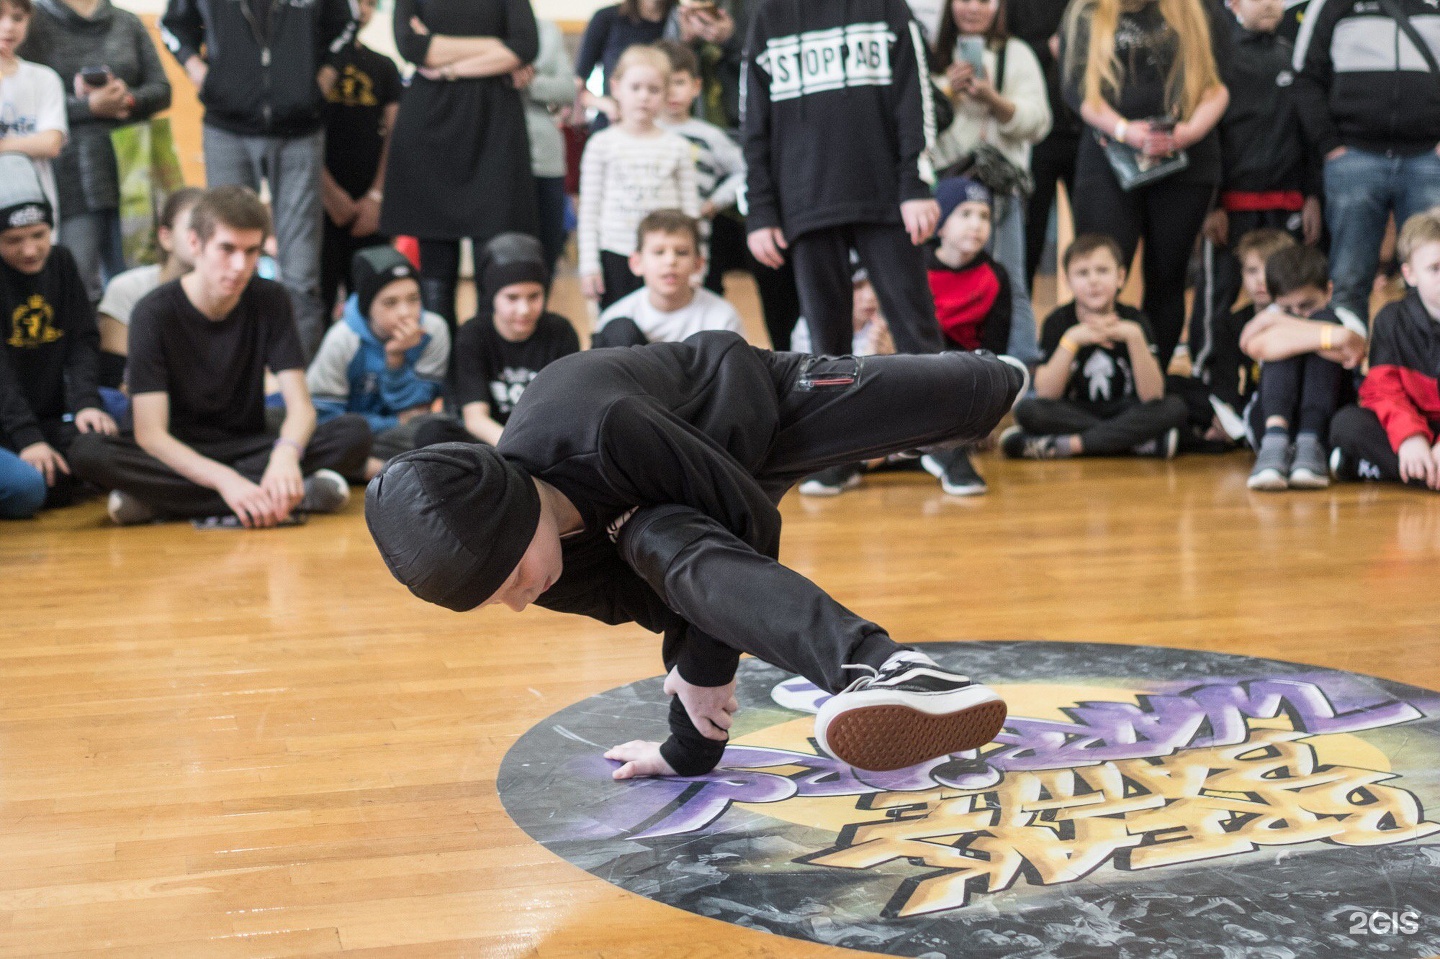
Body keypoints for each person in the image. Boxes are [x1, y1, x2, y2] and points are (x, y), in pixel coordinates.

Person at [365, 333, 1026, 778]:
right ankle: (895, 672)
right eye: (495, 599)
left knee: (985, 391)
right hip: (690, 508)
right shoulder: (548, 570)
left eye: (508, 577)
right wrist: (686, 749)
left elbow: (747, 522)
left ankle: (996, 373)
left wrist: (705, 665)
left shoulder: (599, 428)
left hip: (753, 406)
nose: (517, 599)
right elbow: (672, 601)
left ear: (515, 515)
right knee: (655, 539)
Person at [67, 186, 371, 526]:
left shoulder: (271, 299)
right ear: (195, 244)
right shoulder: (152, 312)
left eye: (252, 251)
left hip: (247, 440)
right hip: (176, 450)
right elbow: (151, 434)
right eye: (227, 249)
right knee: (89, 452)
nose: (240, 266)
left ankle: (163, 502)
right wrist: (226, 481)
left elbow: (301, 405)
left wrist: (286, 456)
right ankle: (281, 493)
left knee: (353, 432)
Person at [743, 0, 944, 360]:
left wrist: (915, 182)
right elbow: (754, 124)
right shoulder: (769, 15)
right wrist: (760, 209)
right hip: (805, 201)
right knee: (826, 350)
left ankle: (939, 418)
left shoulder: (888, 7)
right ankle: (837, 418)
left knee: (918, 335)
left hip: (887, 197)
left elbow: (916, 99)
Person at [160, 0, 356, 358]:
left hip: (300, 129)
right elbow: (173, 26)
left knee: (301, 272)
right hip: (227, 126)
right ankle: (231, 370)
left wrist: (323, 77)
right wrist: (200, 73)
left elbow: (344, 24)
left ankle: (297, 382)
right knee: (224, 257)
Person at [1060, 0, 1231, 369]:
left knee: (1168, 278)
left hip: (1186, 160)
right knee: (1099, 273)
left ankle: (1152, 383)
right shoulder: (1086, 12)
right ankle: (1098, 383)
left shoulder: (1201, 9)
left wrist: (1191, 131)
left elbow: (1219, 85)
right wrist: (1124, 131)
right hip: (1109, 158)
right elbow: (1077, 90)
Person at [380, 0, 538, 338]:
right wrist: (495, 48)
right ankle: (444, 373)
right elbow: (412, 47)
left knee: (494, 264)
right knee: (436, 271)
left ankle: (483, 365)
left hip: (493, 128)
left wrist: (449, 64)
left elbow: (526, 46)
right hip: (431, 128)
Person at [1189, 0, 1321, 372]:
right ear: (1232, 3)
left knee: (1291, 292)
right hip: (1231, 205)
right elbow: (1208, 134)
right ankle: (1206, 380)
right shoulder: (1216, 57)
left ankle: (1289, 381)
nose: (1268, 3)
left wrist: (1313, 195)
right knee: (1218, 297)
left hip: (1288, 202)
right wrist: (1211, 203)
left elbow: (1312, 130)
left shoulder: (1296, 54)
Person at [1293, 0, 1440, 323]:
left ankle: (1424, 372)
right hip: (1353, 158)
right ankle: (1344, 373)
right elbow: (1304, 77)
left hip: (1428, 158)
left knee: (1434, 280)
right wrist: (1329, 145)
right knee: (1348, 280)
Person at [19, 0, 171, 305]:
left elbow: (161, 90)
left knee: (137, 280)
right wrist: (87, 106)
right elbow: (25, 96)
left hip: (132, 169)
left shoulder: (127, 22)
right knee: (75, 280)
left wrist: (126, 100)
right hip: (67, 169)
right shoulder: (32, 20)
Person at [930, 0, 1051, 365]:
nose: (973, 8)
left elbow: (1038, 122)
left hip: (1001, 190)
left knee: (1010, 280)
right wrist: (947, 90)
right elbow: (913, 119)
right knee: (938, 274)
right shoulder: (931, 55)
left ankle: (1020, 370)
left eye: (984, 0)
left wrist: (993, 99)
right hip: (944, 193)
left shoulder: (1017, 54)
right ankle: (941, 365)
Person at [1003, 233, 1187, 459]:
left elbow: (1152, 395)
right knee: (1028, 411)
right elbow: (1047, 393)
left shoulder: (1135, 320)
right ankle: (1134, 443)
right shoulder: (1058, 322)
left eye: (1102, 271)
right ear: (1067, 280)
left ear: (1120, 277)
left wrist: (1135, 337)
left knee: (1174, 406)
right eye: (1082, 273)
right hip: (1075, 410)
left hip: (1125, 409)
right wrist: (1072, 340)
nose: (1093, 281)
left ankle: (1072, 445)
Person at [0, 152, 113, 516]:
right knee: (29, 488)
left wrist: (86, 403)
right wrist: (28, 440)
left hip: (47, 414)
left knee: (117, 428)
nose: (30, 250)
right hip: (10, 423)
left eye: (38, 234)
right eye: (13, 239)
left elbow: (82, 339)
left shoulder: (61, 261)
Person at [416, 233, 579, 448]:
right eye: (512, 298)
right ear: (493, 297)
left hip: (544, 442)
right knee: (432, 433)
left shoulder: (561, 331)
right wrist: (517, 450)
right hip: (494, 442)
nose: (524, 309)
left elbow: (566, 412)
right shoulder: (474, 333)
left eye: (534, 296)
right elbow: (475, 418)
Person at [307, 246, 449, 482]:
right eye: (390, 303)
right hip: (355, 435)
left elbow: (418, 410)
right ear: (367, 308)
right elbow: (326, 418)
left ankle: (366, 470)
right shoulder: (342, 339)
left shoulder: (433, 330)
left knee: (436, 432)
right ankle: (397, 471)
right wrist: (394, 421)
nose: (406, 313)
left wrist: (396, 361)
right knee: (344, 437)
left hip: (396, 438)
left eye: (414, 299)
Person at [577, 44, 699, 311]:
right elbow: (589, 210)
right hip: (615, 255)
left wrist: (698, 262)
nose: (644, 96)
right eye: (635, 88)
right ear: (616, 87)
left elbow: (691, 210)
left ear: (666, 94)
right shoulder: (601, 143)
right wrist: (589, 265)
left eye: (654, 89)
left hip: (665, 259)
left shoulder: (677, 146)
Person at [1241, 244, 1367, 490]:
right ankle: (1276, 444)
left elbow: (1351, 348)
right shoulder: (1269, 318)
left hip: (1328, 423)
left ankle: (1311, 441)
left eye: (1307, 305)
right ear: (1275, 300)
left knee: (1323, 321)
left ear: (1328, 291)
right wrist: (1330, 338)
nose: (1299, 314)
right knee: (1296, 339)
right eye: (1287, 309)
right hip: (1269, 424)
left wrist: (1283, 325)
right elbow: (1250, 343)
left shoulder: (1344, 318)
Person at [1332, 210, 1440, 489]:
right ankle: (1425, 472)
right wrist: (1409, 436)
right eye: (1435, 268)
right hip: (1414, 426)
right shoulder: (1391, 320)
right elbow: (1382, 389)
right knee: (1347, 423)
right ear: (1410, 274)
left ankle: (1387, 471)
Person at [923, 176, 1013, 494]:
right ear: (941, 225)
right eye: (965, 214)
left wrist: (991, 415)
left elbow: (996, 350)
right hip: (923, 370)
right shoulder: (917, 268)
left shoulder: (995, 275)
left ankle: (938, 450)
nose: (976, 224)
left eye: (984, 216)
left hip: (968, 374)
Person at [1175, 228, 1296, 449]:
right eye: (1252, 271)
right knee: (1175, 387)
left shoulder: (1297, 319)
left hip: (1282, 406)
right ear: (1241, 274)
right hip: (1242, 406)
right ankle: (1229, 430)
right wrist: (1226, 413)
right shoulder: (1231, 322)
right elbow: (1224, 382)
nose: (1261, 280)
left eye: (1269, 270)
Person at [318, 0, 400, 319]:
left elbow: (395, 136)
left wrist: (377, 198)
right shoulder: (311, 65)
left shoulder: (384, 67)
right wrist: (330, 195)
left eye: (367, 2)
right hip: (319, 204)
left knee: (371, 300)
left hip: (370, 207)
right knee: (318, 300)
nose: (359, 9)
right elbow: (297, 136)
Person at [654, 40, 744, 294]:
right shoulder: (644, 133)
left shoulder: (709, 135)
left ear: (696, 86)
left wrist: (716, 201)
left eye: (679, 83)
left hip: (696, 238)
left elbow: (745, 170)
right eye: (665, 84)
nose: (672, 92)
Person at [94, 185, 202, 390]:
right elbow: (114, 376)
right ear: (165, 237)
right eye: (193, 229)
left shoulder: (231, 289)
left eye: (212, 230)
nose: (203, 239)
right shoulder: (127, 288)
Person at [1007, 0, 1079, 294]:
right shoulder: (1016, 7)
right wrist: (1047, 49)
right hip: (1037, 137)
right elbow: (1003, 47)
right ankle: (1019, 330)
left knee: (1094, 238)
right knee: (1029, 239)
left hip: (1086, 133)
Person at [592, 210, 741, 348]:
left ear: (698, 264)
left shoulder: (722, 318)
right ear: (637, 263)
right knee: (619, 330)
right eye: (659, 252)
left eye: (682, 252)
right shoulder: (614, 317)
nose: (670, 261)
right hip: (630, 371)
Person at [516, 17, 576, 275]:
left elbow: (567, 90)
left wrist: (529, 82)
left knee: (546, 252)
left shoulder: (547, 31)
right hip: (495, 156)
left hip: (545, 157)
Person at [0, 0, 66, 213]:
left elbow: (50, 143)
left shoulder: (44, 78)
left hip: (33, 203)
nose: (9, 26)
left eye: (18, 18)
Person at [574, 0, 675, 130]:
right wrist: (606, 104)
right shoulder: (607, 18)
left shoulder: (679, 21)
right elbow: (578, 84)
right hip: (612, 123)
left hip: (664, 125)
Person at [662, 0, 748, 132]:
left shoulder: (748, 7)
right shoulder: (680, 11)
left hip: (741, 121)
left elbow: (760, 71)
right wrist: (687, 43)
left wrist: (729, 41)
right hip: (692, 124)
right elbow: (664, 69)